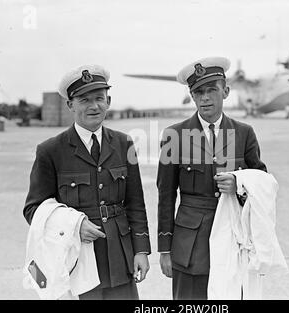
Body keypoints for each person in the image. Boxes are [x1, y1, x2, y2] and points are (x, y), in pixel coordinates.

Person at [23, 65, 151, 300]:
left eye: (99, 98)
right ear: (70, 105)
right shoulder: (51, 151)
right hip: (76, 260)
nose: (94, 106)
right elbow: (33, 210)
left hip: (119, 259)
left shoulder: (124, 144)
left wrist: (141, 250)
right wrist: (72, 225)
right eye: (84, 100)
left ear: (108, 101)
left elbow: (136, 203)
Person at [156, 57, 267, 300]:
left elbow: (263, 183)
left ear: (225, 91)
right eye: (198, 92)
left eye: (211, 90)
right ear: (192, 96)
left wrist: (239, 184)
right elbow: (165, 195)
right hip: (191, 246)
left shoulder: (244, 133)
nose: (205, 97)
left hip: (233, 241)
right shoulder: (174, 135)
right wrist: (165, 249)